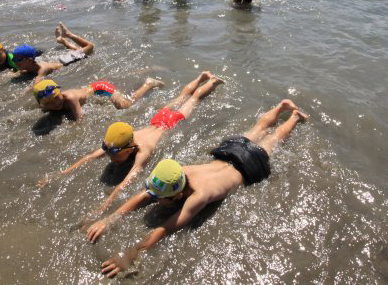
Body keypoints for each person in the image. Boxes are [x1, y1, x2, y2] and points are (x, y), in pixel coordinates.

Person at [87, 99, 308, 278]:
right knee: (259, 129)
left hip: (247, 164)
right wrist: (109, 219)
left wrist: (132, 253)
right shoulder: (178, 172)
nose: (152, 198)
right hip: (229, 152)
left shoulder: (199, 196)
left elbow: (165, 229)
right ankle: (282, 107)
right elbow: (143, 195)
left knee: (272, 138)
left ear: (179, 195)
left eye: (158, 197)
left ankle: (294, 116)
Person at [40, 72, 223, 214]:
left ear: (128, 149)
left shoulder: (143, 151)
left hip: (172, 121)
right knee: (182, 95)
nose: (110, 157)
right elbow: (90, 156)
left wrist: (105, 205)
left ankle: (211, 81)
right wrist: (60, 174)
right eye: (109, 152)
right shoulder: (121, 140)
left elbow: (125, 182)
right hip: (158, 118)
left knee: (193, 98)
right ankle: (202, 76)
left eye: (114, 154)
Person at [32, 76, 164, 122]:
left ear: (60, 92)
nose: (55, 104)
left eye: (56, 98)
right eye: (48, 103)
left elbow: (80, 118)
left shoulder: (70, 98)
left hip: (100, 88)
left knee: (125, 105)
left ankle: (149, 84)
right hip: (88, 91)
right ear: (41, 103)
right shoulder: (44, 103)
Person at [13, 23, 94, 85]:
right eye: (14, 59)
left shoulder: (42, 69)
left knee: (90, 46)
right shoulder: (26, 68)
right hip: (58, 60)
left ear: (30, 60)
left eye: (18, 59)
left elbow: (37, 83)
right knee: (78, 51)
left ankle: (68, 35)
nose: (15, 62)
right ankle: (63, 41)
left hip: (66, 62)